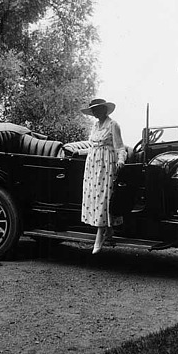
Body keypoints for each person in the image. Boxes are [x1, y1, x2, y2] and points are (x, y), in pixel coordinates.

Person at [77, 98, 127, 254]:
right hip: (92, 164)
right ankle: (108, 231)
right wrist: (79, 152)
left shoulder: (113, 125)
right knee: (94, 197)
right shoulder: (95, 126)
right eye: (94, 111)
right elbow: (93, 145)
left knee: (104, 197)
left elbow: (119, 147)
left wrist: (120, 160)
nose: (96, 113)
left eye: (98, 110)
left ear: (105, 110)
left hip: (106, 164)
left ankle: (100, 236)